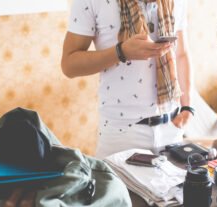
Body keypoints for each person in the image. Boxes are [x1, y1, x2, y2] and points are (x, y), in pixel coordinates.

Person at [61, 0, 193, 158]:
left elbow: (181, 54)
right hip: (121, 133)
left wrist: (187, 107)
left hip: (172, 129)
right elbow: (69, 65)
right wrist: (120, 52)